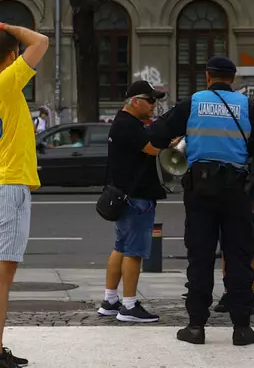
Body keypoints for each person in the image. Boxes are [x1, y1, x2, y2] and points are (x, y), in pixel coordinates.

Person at [149, 56, 254, 346]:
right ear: (233, 79)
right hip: (236, 192)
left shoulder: (192, 103)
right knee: (239, 257)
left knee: (200, 257)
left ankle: (195, 327)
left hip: (200, 191)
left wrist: (182, 139)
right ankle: (242, 328)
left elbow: (156, 133)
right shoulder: (247, 107)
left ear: (207, 76)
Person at [0, 15, 49, 368]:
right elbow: (41, 42)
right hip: (10, 185)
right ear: (13, 54)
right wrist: (5, 26)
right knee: (2, 275)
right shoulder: (6, 84)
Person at [97, 80, 166, 324]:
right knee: (134, 252)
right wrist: (167, 132)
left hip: (124, 195)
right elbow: (152, 149)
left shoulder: (123, 122)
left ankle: (110, 300)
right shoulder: (129, 125)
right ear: (135, 101)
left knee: (121, 248)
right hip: (137, 196)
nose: (153, 105)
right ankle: (128, 305)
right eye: (150, 100)